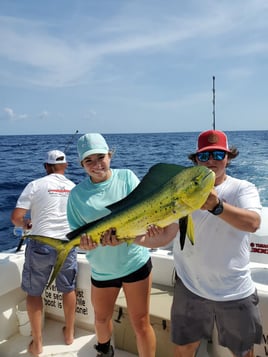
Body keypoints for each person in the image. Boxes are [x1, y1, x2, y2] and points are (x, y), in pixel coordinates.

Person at [134, 129, 263, 357]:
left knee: (243, 352)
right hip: (190, 287)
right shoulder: (183, 192)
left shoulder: (242, 188)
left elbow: (253, 223)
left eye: (218, 154)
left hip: (233, 291)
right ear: (195, 160)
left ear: (228, 158)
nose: (211, 160)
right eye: (204, 156)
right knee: (183, 349)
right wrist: (131, 238)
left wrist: (217, 206)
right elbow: (166, 236)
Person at [67, 133, 156, 357]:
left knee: (141, 322)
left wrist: (129, 234)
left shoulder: (126, 177)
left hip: (135, 262)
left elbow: (143, 212)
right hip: (102, 269)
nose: (97, 165)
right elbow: (78, 237)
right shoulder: (76, 195)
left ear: (110, 155)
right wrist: (85, 246)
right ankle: (105, 351)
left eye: (101, 157)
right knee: (100, 318)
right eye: (89, 160)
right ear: (81, 164)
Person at [11, 150, 77, 356]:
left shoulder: (36, 185)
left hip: (40, 244)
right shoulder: (74, 188)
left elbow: (16, 218)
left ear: (46, 167)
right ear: (65, 166)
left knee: (34, 292)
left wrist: (26, 223)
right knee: (68, 288)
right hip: (67, 244)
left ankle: (38, 343)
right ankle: (70, 335)